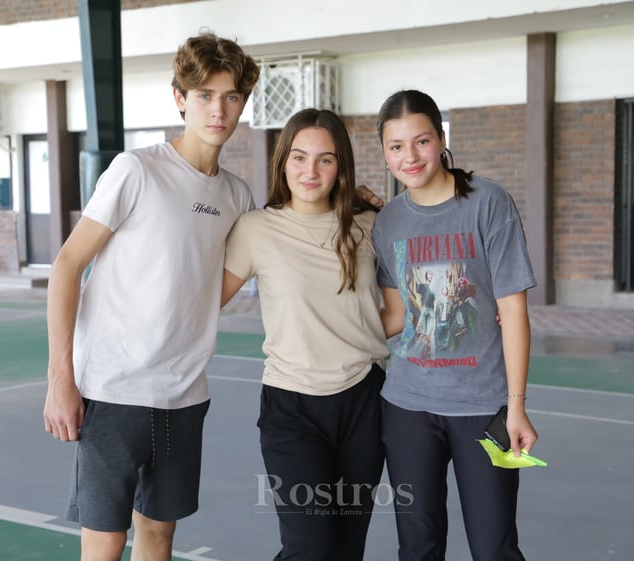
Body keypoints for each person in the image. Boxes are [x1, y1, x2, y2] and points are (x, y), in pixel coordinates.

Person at [42, 32, 259, 561]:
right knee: (105, 543)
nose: (219, 109)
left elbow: (211, 288)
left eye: (231, 97)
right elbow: (67, 266)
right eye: (205, 95)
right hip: (113, 391)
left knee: (159, 537)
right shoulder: (136, 170)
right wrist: (60, 380)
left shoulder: (236, 196)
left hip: (183, 397)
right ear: (180, 98)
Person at [372, 89, 538, 561]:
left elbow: (515, 314)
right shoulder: (388, 222)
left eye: (421, 141)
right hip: (406, 409)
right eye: (396, 146)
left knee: (494, 548)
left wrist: (517, 407)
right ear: (384, 152)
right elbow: (397, 315)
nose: (410, 156)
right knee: (418, 548)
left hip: (482, 407)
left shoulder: (489, 203)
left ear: (441, 139)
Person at [221, 108, 390, 561]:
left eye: (325, 159)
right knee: (309, 548)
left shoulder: (370, 226)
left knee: (347, 548)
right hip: (291, 406)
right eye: (299, 157)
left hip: (364, 402)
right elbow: (201, 302)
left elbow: (412, 293)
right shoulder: (256, 228)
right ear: (283, 161)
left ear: (341, 167)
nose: (309, 171)